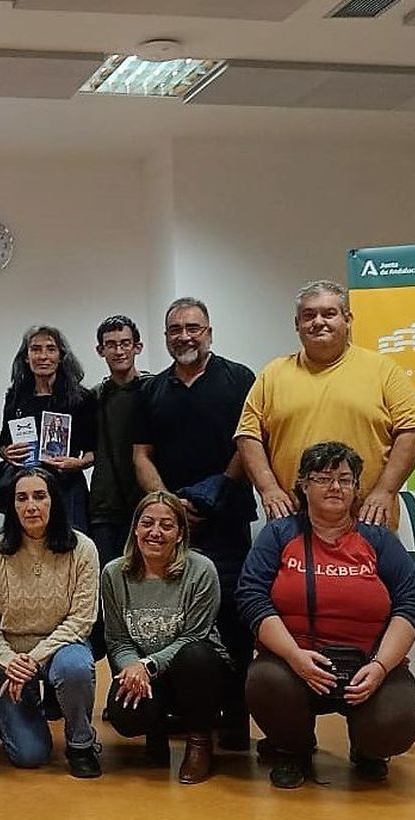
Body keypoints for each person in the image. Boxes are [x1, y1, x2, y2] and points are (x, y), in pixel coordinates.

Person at [236, 442, 415, 789]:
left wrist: (381, 666)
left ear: (356, 487)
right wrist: (293, 656)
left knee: (393, 724)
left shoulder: (378, 538)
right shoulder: (279, 534)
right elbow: (251, 596)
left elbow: (412, 602)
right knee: (265, 679)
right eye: (323, 478)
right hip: (295, 664)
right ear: (303, 484)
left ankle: (369, 750)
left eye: (345, 479)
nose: (335, 487)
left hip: (367, 665)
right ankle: (293, 749)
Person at [131, 297, 257, 749]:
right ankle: (182, 713)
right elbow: (141, 455)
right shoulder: (151, 391)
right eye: (175, 330)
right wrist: (170, 507)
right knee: (171, 620)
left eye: (193, 328)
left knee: (233, 618)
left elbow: (249, 443)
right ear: (165, 337)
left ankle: (235, 718)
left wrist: (214, 494)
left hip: (226, 524)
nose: (184, 336)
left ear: (209, 332)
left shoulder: (239, 379)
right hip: (168, 530)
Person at [236, 279, 415, 527]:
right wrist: (269, 489)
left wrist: (385, 491)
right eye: (309, 315)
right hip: (294, 522)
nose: (318, 322)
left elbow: (413, 430)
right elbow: (248, 436)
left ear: (347, 320)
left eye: (329, 314)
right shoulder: (272, 374)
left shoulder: (384, 370)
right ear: (297, 324)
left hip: (365, 519)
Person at [0, 466, 101, 777]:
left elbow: (82, 620)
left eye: (39, 496)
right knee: (30, 756)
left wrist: (33, 658)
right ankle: (13, 720)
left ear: (54, 501)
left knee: (76, 667)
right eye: (22, 498)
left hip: (62, 648)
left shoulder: (83, 548)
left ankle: (80, 742)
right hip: (8, 655)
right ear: (12, 506)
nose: (31, 506)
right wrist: (10, 661)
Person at [100, 492, 233, 784]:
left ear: (180, 534)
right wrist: (132, 669)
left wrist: (146, 665)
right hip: (147, 673)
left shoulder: (201, 570)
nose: (155, 532)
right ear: (135, 529)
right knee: (124, 714)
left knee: (195, 655)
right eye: (147, 523)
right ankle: (155, 733)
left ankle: (199, 743)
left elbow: (195, 635)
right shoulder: (113, 573)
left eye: (166, 525)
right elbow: (118, 640)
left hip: (199, 671)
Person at [0, 325, 96, 533]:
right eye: (36, 349)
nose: (43, 356)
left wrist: (78, 463)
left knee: (71, 545)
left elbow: (93, 452)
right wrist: (7, 453)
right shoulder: (16, 397)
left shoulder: (81, 398)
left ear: (61, 356)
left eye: (50, 349)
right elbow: (3, 445)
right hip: (27, 489)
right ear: (26, 357)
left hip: (67, 488)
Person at [89, 315, 148, 569]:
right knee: (108, 580)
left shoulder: (154, 390)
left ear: (137, 347)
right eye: (111, 345)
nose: (119, 350)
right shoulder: (93, 397)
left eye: (125, 343)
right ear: (100, 350)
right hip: (105, 509)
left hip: (147, 504)